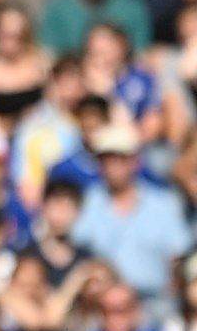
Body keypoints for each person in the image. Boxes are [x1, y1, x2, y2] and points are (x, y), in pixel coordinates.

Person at [72, 123, 192, 312]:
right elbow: (78, 250)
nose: (113, 166)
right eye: (106, 160)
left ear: (135, 161)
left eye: (120, 159)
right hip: (103, 307)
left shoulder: (164, 203)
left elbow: (178, 259)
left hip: (154, 304)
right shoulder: (90, 201)